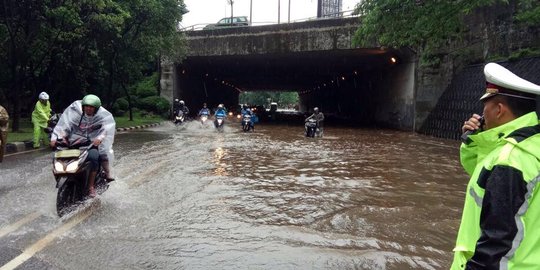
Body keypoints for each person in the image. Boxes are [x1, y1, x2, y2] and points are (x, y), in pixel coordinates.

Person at [451, 63, 540, 270]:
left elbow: (495, 244)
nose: (482, 114)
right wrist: (476, 139)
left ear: (499, 110)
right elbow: (481, 176)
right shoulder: (530, 144)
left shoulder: (509, 160)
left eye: (485, 108)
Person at [50, 94, 116, 198]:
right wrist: (58, 137)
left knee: (94, 157)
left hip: (90, 145)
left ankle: (91, 187)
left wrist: (99, 139)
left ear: (96, 109)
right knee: (57, 156)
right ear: (83, 107)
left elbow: (105, 129)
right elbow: (65, 126)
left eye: (91, 107)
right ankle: (60, 180)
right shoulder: (76, 116)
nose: (88, 109)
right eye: (86, 106)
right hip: (74, 144)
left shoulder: (101, 117)